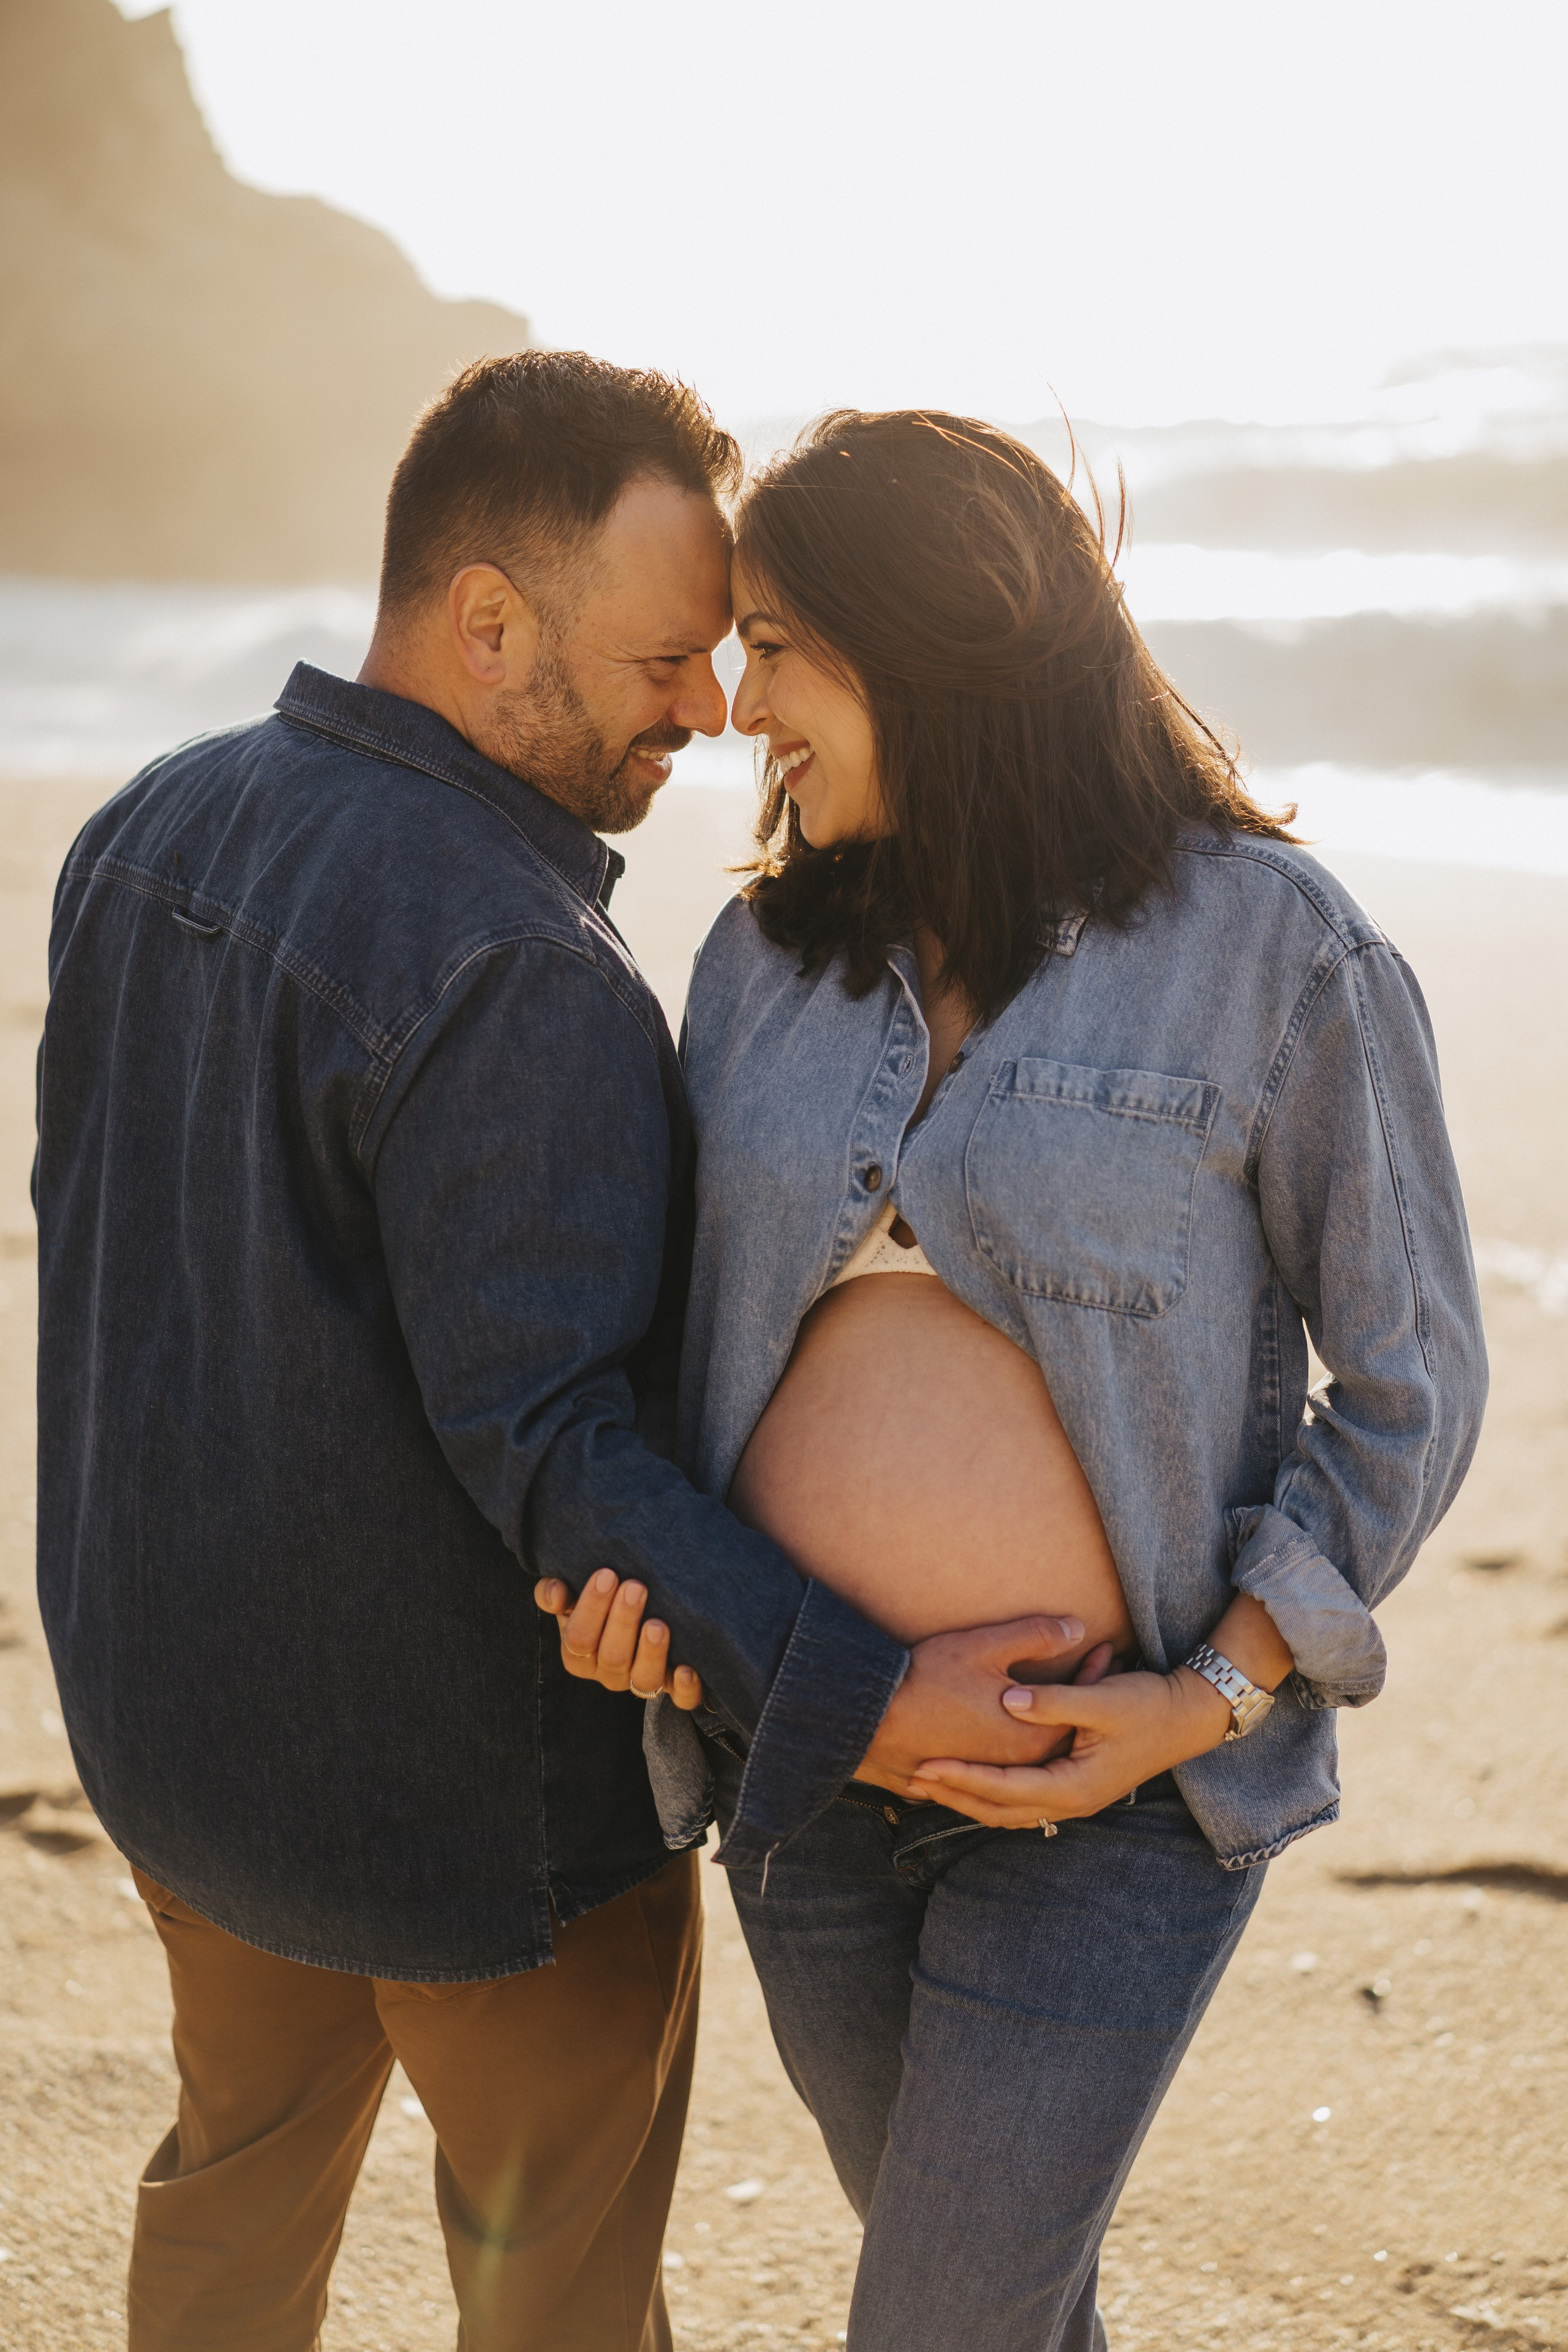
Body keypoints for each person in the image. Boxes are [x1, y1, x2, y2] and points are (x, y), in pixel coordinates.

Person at [34, 358, 1077, 2352]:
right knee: (563, 2299)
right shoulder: (520, 965)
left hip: (178, 1753)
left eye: (719, 658)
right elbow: (560, 1448)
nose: (708, 707)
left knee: (231, 2216)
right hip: (477, 1823)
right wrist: (861, 1695)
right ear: (485, 619)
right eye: (663, 660)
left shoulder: (141, 828)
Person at [538, 409, 1490, 2352]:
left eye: (784, 643)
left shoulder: (1270, 950)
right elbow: (663, 1361)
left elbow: (1413, 1377)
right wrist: (637, 1612)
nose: (740, 706)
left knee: (943, 2324)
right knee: (991, 2315)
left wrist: (1206, 1695)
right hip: (799, 1768)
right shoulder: (757, 966)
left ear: (938, 640)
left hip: (1113, 1789)